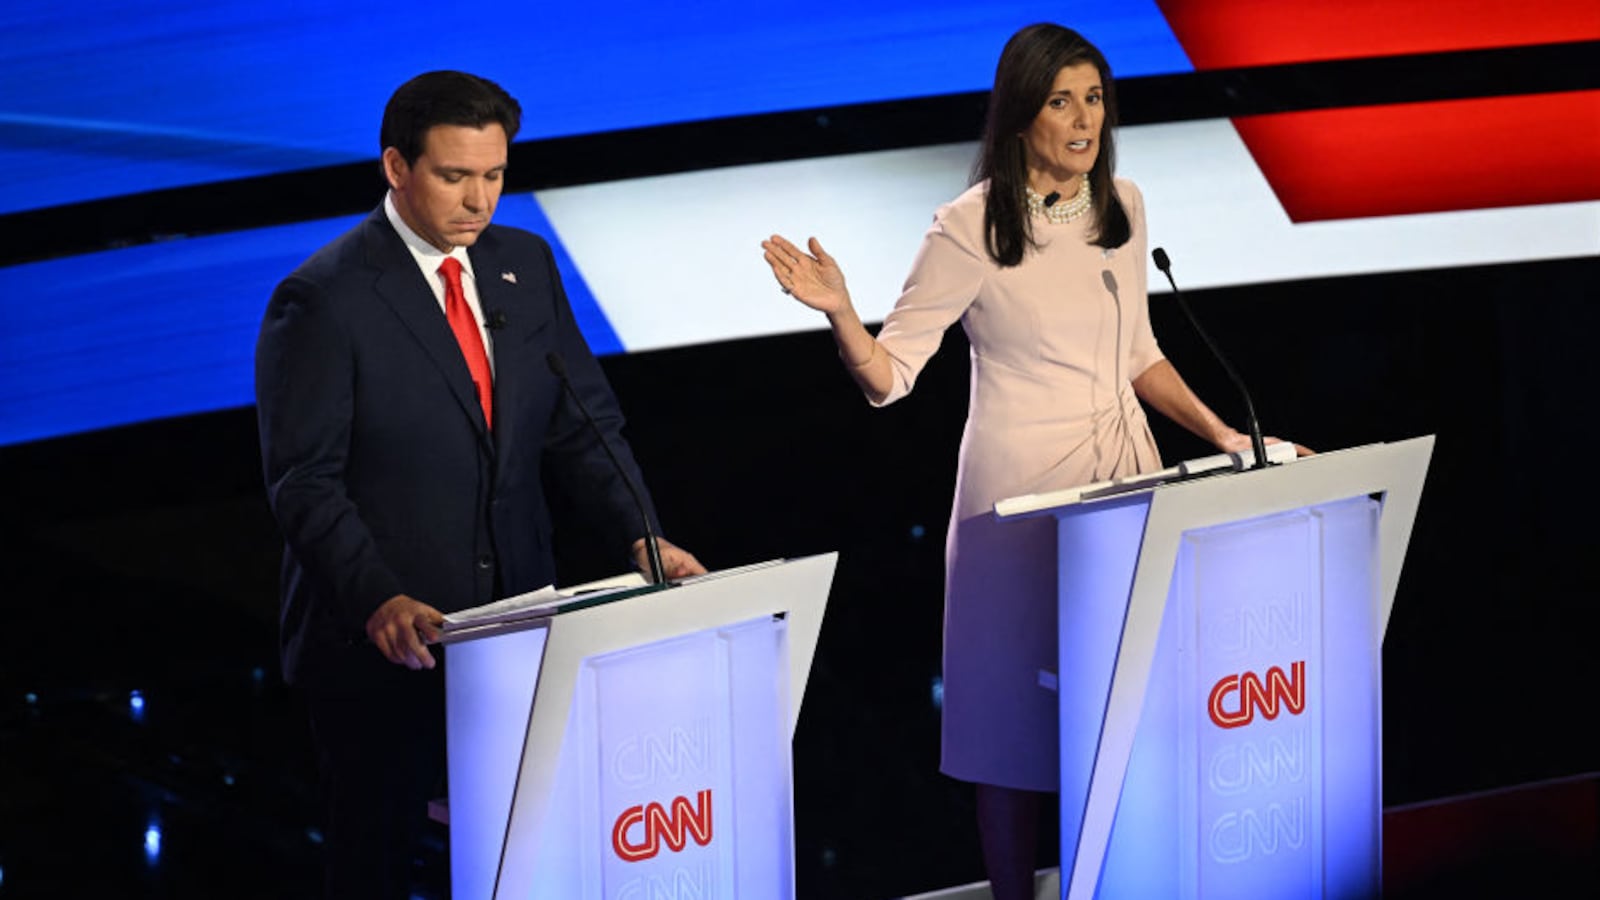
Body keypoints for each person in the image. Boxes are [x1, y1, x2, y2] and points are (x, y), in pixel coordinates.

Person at [762, 23, 1302, 898]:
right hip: (1016, 502)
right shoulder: (968, 226)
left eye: (1094, 98)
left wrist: (1228, 436)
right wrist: (841, 313)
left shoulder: (1121, 204)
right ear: (1020, 115)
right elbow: (889, 377)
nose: (1083, 120)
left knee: (1131, 704)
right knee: (1011, 732)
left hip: (1128, 485)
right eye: (1061, 101)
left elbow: (1139, 354)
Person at [255, 70, 704, 899]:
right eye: (455, 176)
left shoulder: (522, 266)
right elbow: (303, 482)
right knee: (377, 861)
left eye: (494, 176)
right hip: (388, 646)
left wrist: (640, 532)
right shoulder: (322, 299)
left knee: (521, 853)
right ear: (396, 166)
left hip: (518, 627)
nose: (479, 201)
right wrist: (378, 598)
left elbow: (583, 423)